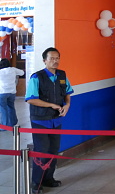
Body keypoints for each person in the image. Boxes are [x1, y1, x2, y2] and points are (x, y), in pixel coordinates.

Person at [26, 47, 73, 193]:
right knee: (42, 151)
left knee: (53, 150)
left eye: (57, 58)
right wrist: (52, 105)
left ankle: (48, 178)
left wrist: (67, 105)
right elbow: (31, 99)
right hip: (40, 120)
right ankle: (36, 183)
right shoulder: (36, 77)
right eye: (51, 58)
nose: (55, 61)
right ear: (44, 60)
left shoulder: (62, 75)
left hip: (56, 120)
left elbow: (67, 93)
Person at [0, 58, 24, 129]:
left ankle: (4, 126)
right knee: (11, 107)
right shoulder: (13, 69)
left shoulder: (0, 71)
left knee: (3, 109)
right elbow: (22, 72)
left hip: (2, 92)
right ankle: (13, 123)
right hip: (12, 92)